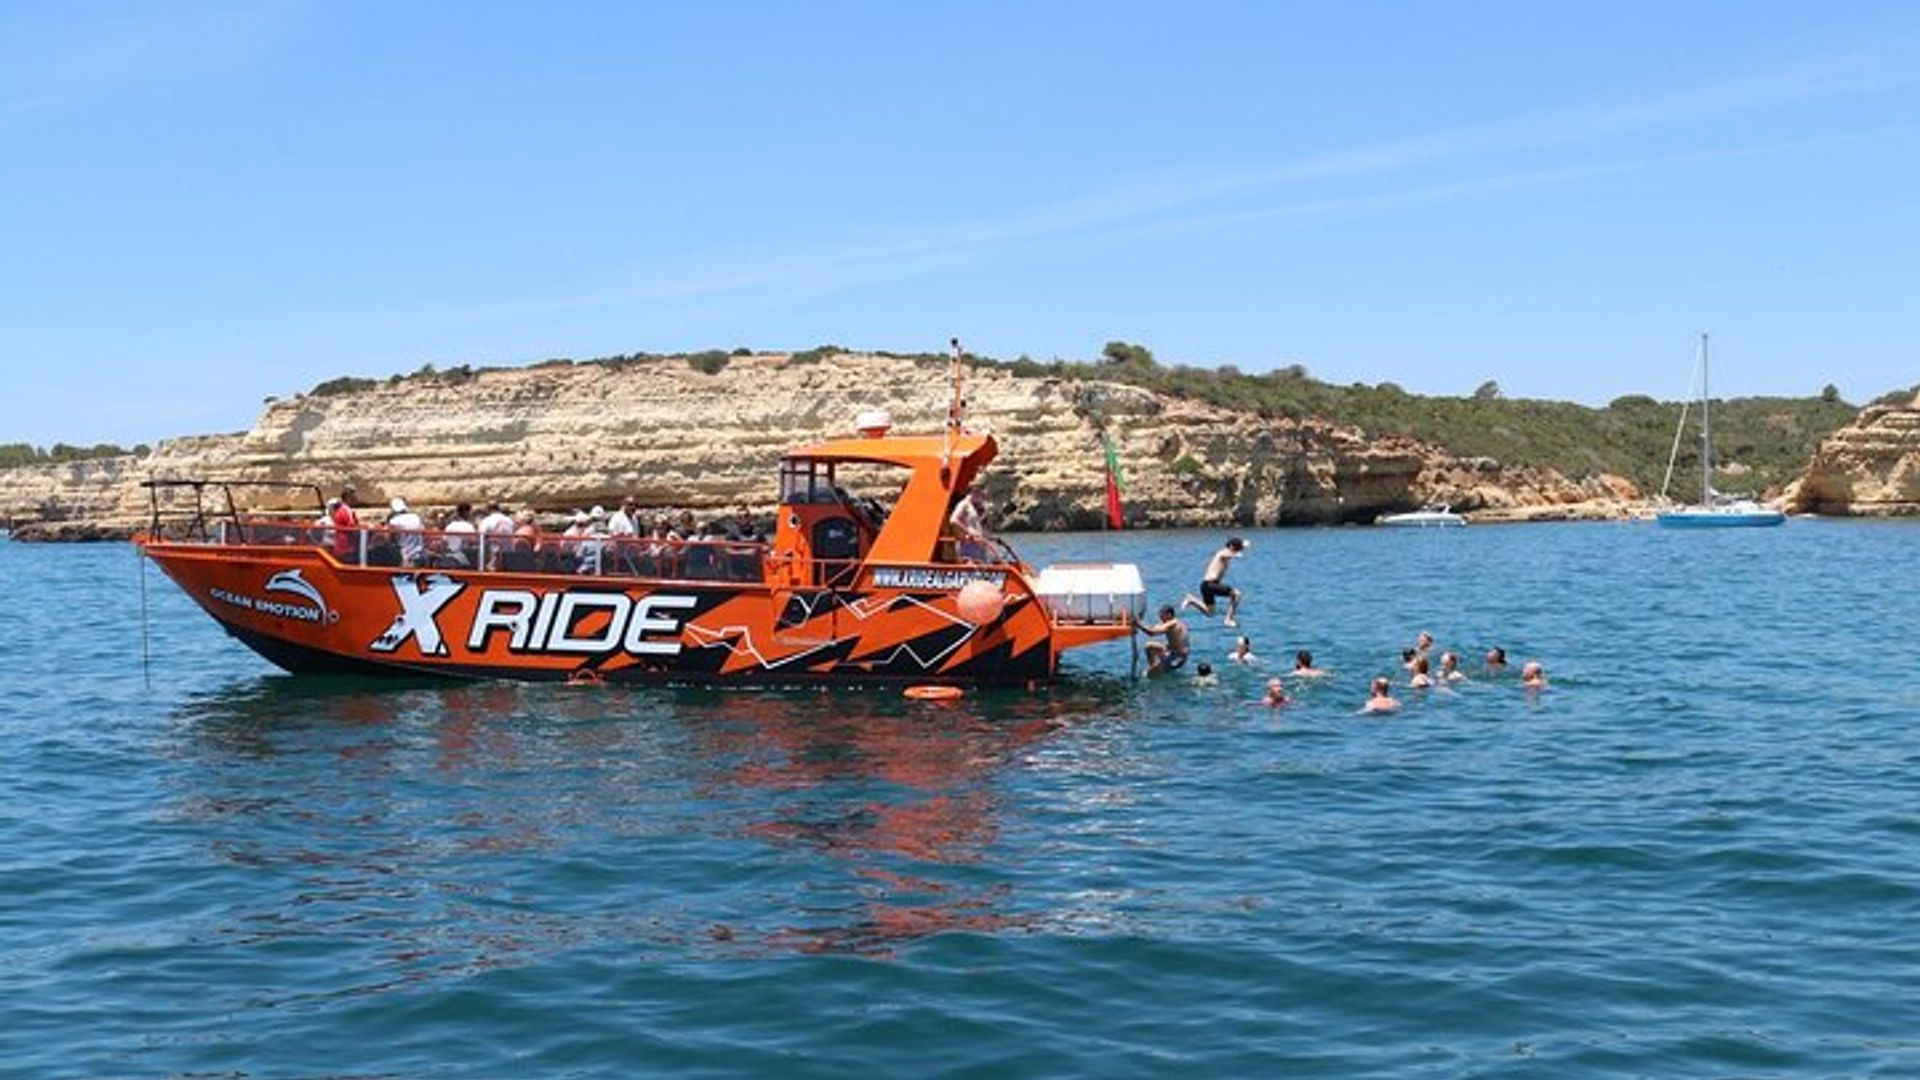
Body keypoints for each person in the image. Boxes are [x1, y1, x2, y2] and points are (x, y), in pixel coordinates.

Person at [1180, 537, 1247, 627]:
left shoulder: (1226, 554)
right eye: (1237, 548)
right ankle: (1228, 619)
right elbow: (1230, 555)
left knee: (1210, 613)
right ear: (1231, 546)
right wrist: (1237, 553)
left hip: (1206, 586)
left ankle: (1191, 600)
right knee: (1237, 594)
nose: (1238, 550)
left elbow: (1232, 554)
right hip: (1210, 584)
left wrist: (1243, 546)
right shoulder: (1222, 552)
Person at [1140, 605, 1191, 676]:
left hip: (1177, 658)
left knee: (1147, 675)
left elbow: (1151, 633)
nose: (1160, 618)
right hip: (1174, 652)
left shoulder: (1172, 624)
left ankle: (1156, 671)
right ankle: (1157, 667)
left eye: (1162, 616)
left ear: (1169, 614)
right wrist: (1141, 623)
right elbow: (1155, 628)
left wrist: (1138, 624)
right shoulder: (1176, 622)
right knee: (1149, 646)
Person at [950, 489, 990, 562]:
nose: (982, 497)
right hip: (969, 545)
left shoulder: (975, 506)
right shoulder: (964, 504)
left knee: (982, 565)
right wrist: (969, 532)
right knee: (972, 564)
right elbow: (953, 520)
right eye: (981, 494)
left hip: (978, 544)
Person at [387, 497, 425, 566]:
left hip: (405, 555)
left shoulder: (394, 521)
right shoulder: (415, 517)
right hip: (420, 552)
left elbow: (391, 538)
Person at [330, 485, 361, 560]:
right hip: (346, 550)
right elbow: (353, 529)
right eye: (354, 494)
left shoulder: (346, 510)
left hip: (346, 549)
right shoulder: (345, 510)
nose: (356, 497)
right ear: (348, 496)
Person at [443, 502, 476, 567]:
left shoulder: (450, 526)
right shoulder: (469, 526)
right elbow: (474, 541)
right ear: (467, 513)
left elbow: (444, 540)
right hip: (463, 558)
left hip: (450, 555)